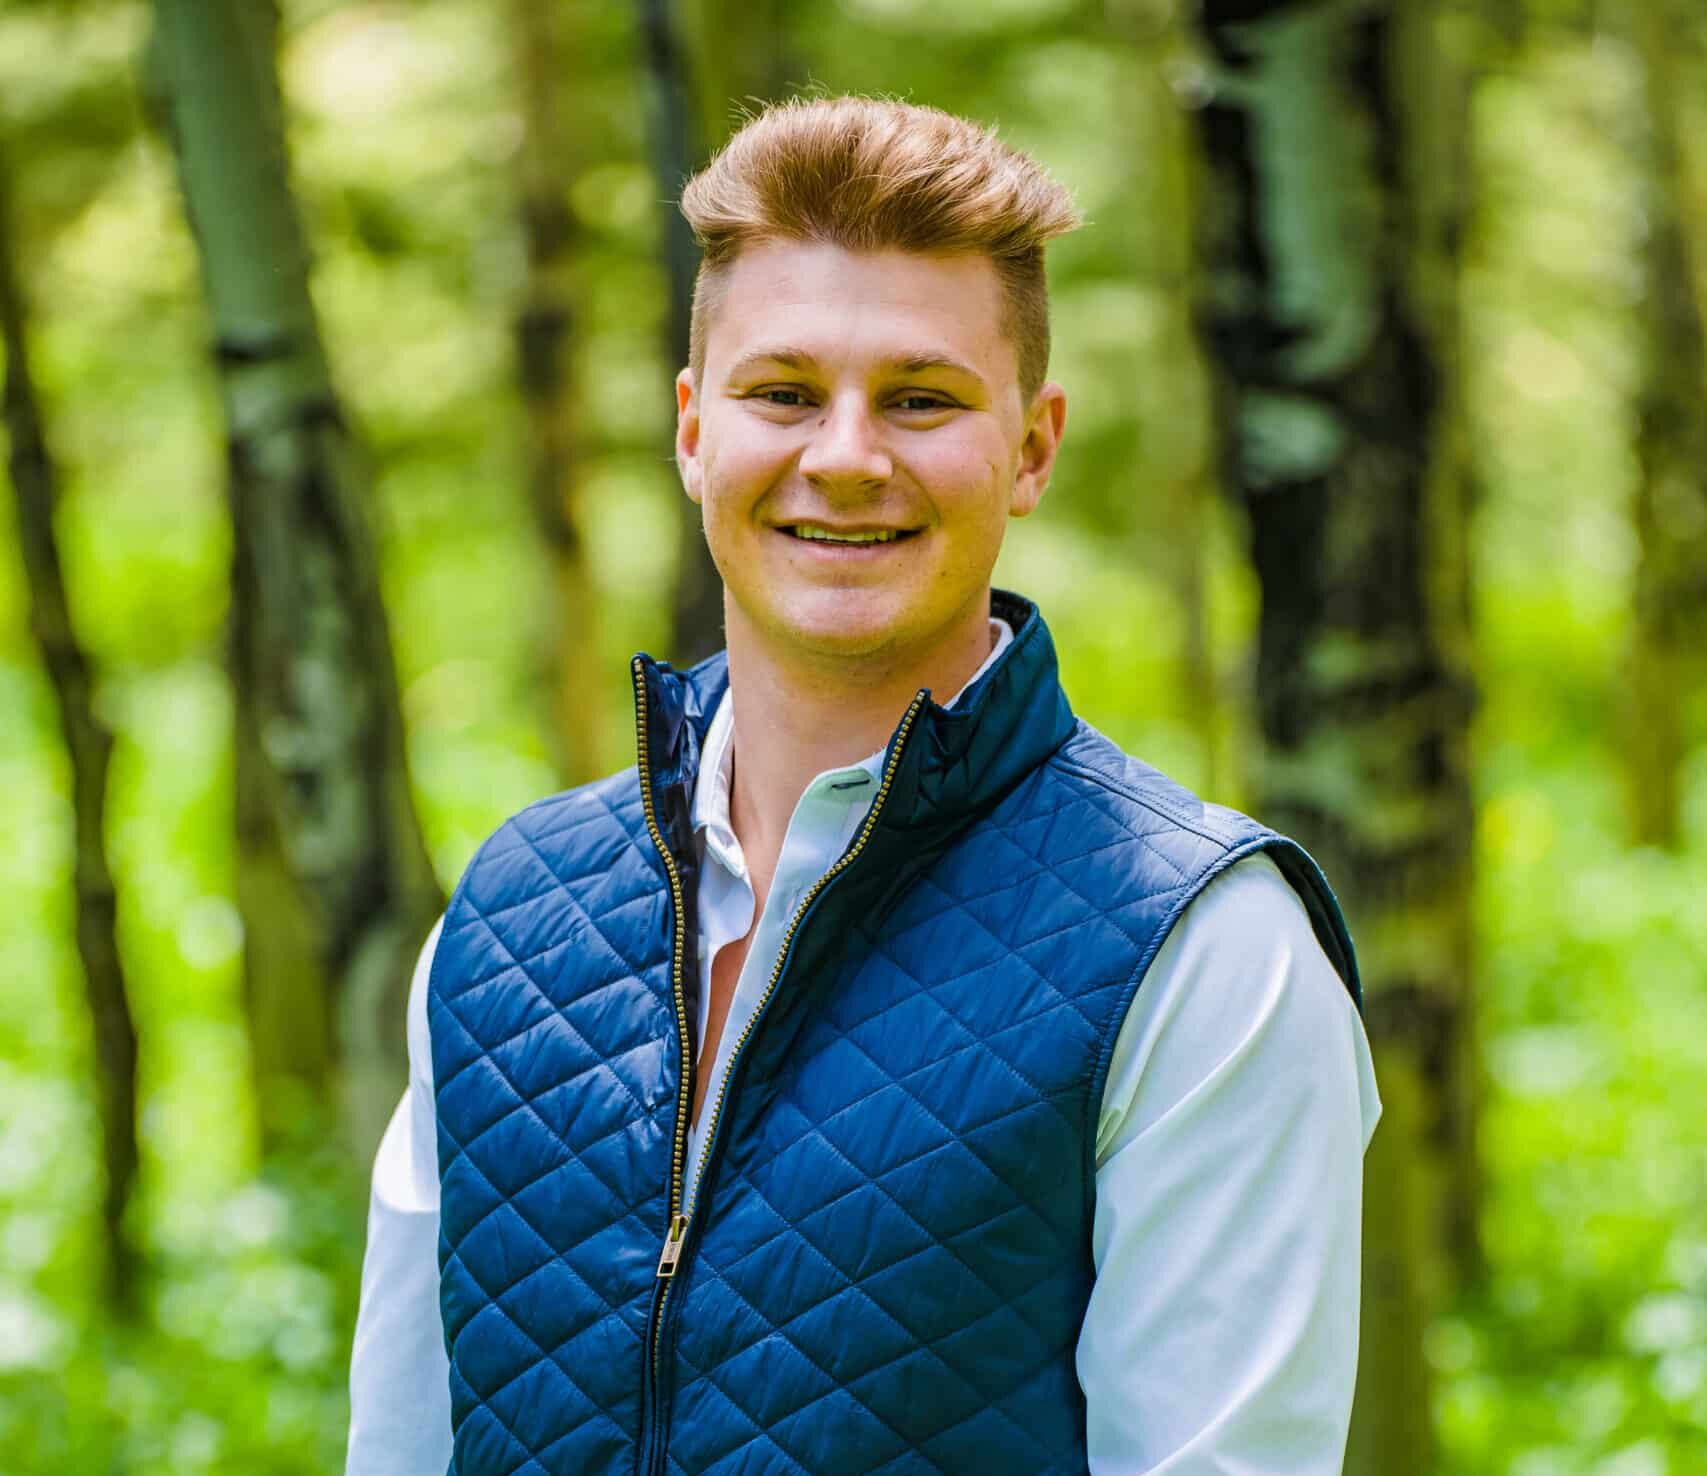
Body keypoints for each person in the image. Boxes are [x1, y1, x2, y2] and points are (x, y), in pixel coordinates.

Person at [345, 96, 1381, 1476]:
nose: (844, 455)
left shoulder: (1201, 947)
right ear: (694, 428)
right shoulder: (505, 917)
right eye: (782, 392)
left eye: (921, 398)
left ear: (1030, 447)